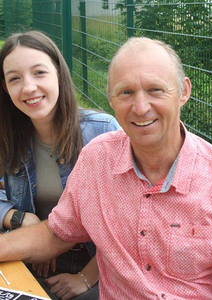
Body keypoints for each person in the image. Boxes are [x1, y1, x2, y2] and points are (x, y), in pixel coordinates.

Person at [0, 37, 212, 299]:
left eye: (155, 90)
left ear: (184, 92)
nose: (141, 107)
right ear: (111, 99)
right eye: (126, 92)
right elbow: (56, 233)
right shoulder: (97, 160)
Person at [0, 31, 120, 299]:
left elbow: (129, 221)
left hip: (96, 264)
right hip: (31, 255)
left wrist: (86, 278)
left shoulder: (102, 132)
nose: (28, 87)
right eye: (14, 79)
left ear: (58, 73)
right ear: (5, 89)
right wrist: (19, 218)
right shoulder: (8, 137)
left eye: (39, 73)